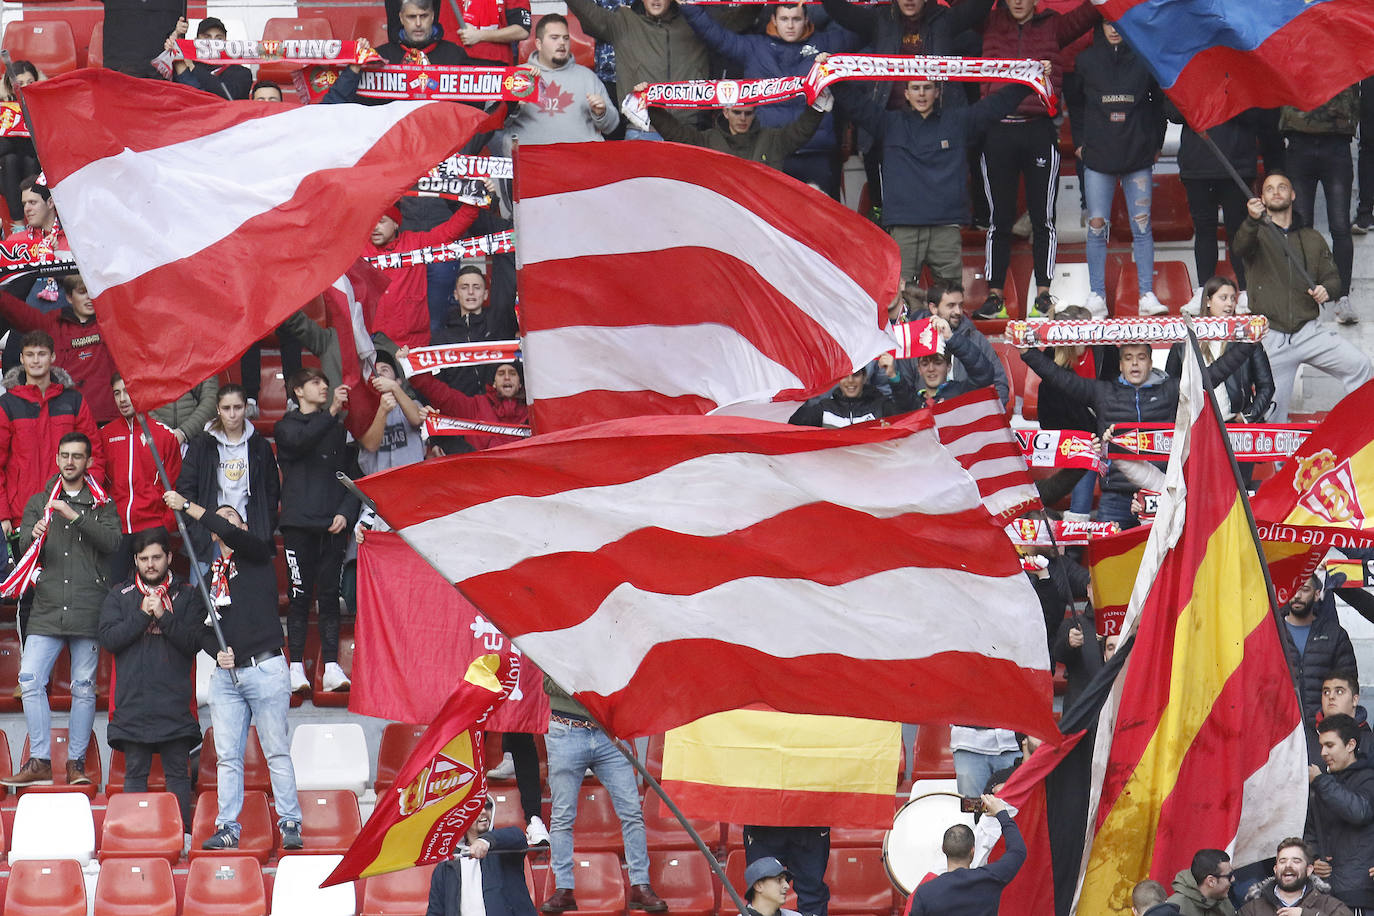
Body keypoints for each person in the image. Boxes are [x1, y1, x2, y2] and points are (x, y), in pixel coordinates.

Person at [162, 491, 304, 852]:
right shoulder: (210, 579)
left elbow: (233, 534)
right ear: (211, 535)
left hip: (266, 667)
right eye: (220, 520)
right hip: (227, 677)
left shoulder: (257, 554)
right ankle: (228, 826)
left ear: (241, 526)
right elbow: (197, 629)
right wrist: (216, 651)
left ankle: (290, 820)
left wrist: (189, 507)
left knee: (276, 750)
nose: (226, 523)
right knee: (228, 756)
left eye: (232, 518)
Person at [1019, 339, 1256, 527]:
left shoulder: (1171, 389)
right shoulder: (1102, 392)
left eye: (1141, 358)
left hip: (1162, 492)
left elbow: (1213, 375)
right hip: (1115, 497)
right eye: (1129, 358)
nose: (1135, 364)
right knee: (1109, 564)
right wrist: (1028, 353)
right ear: (1120, 364)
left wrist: (1248, 345)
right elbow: (1059, 377)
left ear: (1150, 362)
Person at [835, 72, 1036, 291]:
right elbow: (855, 104)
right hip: (904, 227)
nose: (921, 94)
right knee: (903, 302)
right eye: (915, 88)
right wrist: (830, 75)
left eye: (927, 87)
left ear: (938, 92)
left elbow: (994, 106)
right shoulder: (889, 123)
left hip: (945, 227)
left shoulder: (957, 122)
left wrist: (1030, 80)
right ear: (906, 94)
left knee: (950, 301)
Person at [2, 432, 119, 787]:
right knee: (29, 679)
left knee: (84, 687)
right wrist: (31, 533)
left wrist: (74, 516)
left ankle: (76, 765)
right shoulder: (38, 502)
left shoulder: (101, 503)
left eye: (77, 456)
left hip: (87, 604)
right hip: (48, 605)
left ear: (87, 462)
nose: (70, 462)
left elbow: (113, 543)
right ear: (57, 459)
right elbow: (23, 552)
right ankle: (39, 759)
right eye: (65, 456)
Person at [974, 0, 1099, 320]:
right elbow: (961, 11)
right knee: (997, 219)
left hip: (1039, 130)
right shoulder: (987, 22)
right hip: (997, 131)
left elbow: (1088, 15)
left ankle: (1043, 294)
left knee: (1043, 218)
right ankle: (995, 296)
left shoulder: (1053, 25)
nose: (1018, 1)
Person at [678, 2, 856, 196]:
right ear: (773, 20)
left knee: (820, 223)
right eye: (784, 19)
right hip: (771, 154)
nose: (790, 25)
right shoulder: (754, 47)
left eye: (796, 19)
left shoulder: (824, 44)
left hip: (815, 153)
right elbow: (716, 36)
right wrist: (689, 7)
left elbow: (865, 30)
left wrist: (877, 6)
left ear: (806, 20)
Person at [1234, 171, 1371, 421]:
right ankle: (1280, 463)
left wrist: (1326, 290)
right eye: (1269, 189)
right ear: (1262, 199)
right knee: (1274, 418)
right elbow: (1239, 247)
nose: (1276, 191)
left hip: (1309, 331)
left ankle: (1358, 432)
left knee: (1361, 366)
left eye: (1282, 187)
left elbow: (1334, 279)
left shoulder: (1313, 238)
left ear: (1293, 194)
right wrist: (1252, 221)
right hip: (1271, 335)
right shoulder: (1256, 233)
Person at [97, 527, 201, 830]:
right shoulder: (120, 595)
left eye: (157, 557)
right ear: (135, 560)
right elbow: (109, 639)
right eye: (144, 559)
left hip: (175, 701)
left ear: (169, 556)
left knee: (179, 776)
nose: (151, 564)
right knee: (135, 774)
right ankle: (136, 838)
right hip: (133, 702)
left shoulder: (187, 594)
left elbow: (193, 643)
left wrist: (165, 617)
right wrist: (143, 614)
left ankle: (180, 838)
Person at [540, 678, 666, 913]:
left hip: (608, 729)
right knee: (562, 817)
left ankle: (640, 884)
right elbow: (548, 684)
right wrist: (591, 678)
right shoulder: (559, 641)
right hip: (567, 729)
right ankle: (563, 887)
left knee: (632, 811)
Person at [1070, 22, 1166, 317]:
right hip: (1098, 157)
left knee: (1142, 226)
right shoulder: (1085, 60)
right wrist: (1079, 142)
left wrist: (1155, 143)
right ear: (1099, 24)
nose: (1114, 29)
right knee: (1097, 228)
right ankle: (1096, 296)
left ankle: (1147, 294)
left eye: (1119, 23)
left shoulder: (1144, 59)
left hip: (1137, 156)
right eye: (1108, 23)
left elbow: (1159, 105)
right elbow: (1073, 103)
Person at [274, 368, 359, 694]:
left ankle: (333, 667)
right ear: (297, 391)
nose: (323, 387)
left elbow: (351, 475)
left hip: (332, 524)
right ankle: (295, 666)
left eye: (325, 382)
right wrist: (334, 413)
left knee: (328, 597)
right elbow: (300, 442)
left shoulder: (338, 430)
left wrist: (345, 513)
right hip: (298, 525)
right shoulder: (285, 427)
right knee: (299, 597)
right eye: (315, 383)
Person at [0, 330, 104, 543]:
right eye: (30, 354)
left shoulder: (73, 400)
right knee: (29, 576)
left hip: (69, 509)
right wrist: (3, 514)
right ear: (21, 359)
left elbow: (94, 455)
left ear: (53, 357)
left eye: (42, 354)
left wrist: (89, 500)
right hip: (23, 513)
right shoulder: (7, 405)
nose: (36, 360)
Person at [564, 0, 710, 140]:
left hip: (689, 132)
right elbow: (586, 10)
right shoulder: (624, 23)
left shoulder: (697, 23)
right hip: (643, 132)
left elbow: (730, 20)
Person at [1168, 105, 1263, 314]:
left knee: (1239, 232)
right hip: (1197, 163)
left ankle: (1246, 292)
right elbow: (1172, 113)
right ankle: (1203, 291)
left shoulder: (1244, 73)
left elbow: (1255, 113)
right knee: (1203, 230)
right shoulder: (1188, 74)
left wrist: (1221, 101)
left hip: (1237, 163)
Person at [1280, 86, 1359, 324]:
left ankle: (1341, 298)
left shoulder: (1345, 51)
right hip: (1299, 140)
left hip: (1336, 143)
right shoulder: (1292, 49)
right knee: (1301, 227)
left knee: (1340, 226)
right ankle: (1303, 296)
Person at [176, 384, 279, 564]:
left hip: (249, 532)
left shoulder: (260, 446)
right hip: (209, 536)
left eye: (238, 408)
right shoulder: (202, 445)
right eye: (226, 408)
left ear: (246, 408)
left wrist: (263, 527)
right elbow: (186, 488)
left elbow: (272, 492)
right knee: (207, 592)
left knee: (248, 592)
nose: (232, 414)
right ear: (218, 409)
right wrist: (200, 529)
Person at [364, 200, 484, 349]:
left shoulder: (415, 243)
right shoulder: (358, 251)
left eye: (381, 221)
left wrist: (474, 200)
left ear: (396, 223)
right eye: (371, 222)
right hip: (373, 345)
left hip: (414, 344)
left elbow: (450, 231)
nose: (375, 227)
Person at [101, 373, 182, 581]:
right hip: (116, 529)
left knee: (153, 592)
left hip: (152, 527)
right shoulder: (104, 435)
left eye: (127, 392)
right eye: (117, 393)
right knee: (116, 592)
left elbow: (175, 485)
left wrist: (165, 525)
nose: (122, 399)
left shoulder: (165, 436)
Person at [496, 15, 619, 151]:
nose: (562, 43)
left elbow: (611, 126)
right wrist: (513, 106)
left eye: (565, 38)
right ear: (538, 44)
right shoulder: (518, 76)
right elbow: (495, 124)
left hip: (580, 161)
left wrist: (601, 113)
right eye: (554, 38)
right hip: (530, 162)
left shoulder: (588, 77)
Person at [1165, 277, 1275, 426]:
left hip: (1233, 425)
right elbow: (1170, 386)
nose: (1229, 303)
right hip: (1196, 425)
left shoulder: (1248, 338)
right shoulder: (1185, 339)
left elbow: (1266, 385)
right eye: (1223, 298)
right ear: (1208, 301)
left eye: (1233, 298)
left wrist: (1246, 417)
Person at [643, 87, 826, 169]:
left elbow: (801, 131)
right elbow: (676, 133)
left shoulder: (773, 139)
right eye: (737, 112)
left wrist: (817, 107)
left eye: (748, 113)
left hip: (762, 221)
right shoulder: (706, 140)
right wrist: (650, 105)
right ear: (726, 112)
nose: (743, 118)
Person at [906, 795, 1025, 915]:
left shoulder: (925, 892)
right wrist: (1001, 813)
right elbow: (1018, 851)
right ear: (973, 851)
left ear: (943, 849)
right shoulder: (991, 879)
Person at [1305, 714, 1374, 911]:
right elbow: (1311, 833)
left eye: (1330, 745)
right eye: (1321, 746)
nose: (1323, 752)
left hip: (1360, 894)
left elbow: (1359, 812)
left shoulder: (1368, 779)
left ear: (1350, 745)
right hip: (1325, 894)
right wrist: (1315, 859)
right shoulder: (1325, 785)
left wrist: (1320, 782)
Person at [426, 796, 537, 916]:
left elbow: (518, 837)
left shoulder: (504, 848)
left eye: (487, 806)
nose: (483, 811)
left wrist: (486, 841)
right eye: (475, 806)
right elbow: (435, 911)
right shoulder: (446, 865)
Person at [1278, 576, 1357, 732]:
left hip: (1323, 730)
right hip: (1281, 733)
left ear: (1316, 594)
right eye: (1292, 590)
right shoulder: (1272, 632)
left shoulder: (1335, 635)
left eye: (1304, 590)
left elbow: (1348, 685)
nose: (1297, 596)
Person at [431, 266, 520, 395]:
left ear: (485, 294)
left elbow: (507, 282)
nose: (471, 292)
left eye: (477, 287)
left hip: (497, 410)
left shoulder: (500, 326)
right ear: (456, 294)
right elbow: (436, 386)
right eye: (464, 287)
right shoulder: (441, 339)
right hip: (458, 411)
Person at [1237, 837, 1352, 916]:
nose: (1288, 865)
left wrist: (1306, 914)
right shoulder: (1252, 909)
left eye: (1296, 861)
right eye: (1282, 861)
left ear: (1309, 870)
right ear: (1275, 869)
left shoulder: (1329, 905)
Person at [377, 0, 509, 67]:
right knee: (395, 53)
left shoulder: (454, 54)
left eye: (422, 17)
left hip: (440, 55)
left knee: (439, 51)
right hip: (397, 57)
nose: (418, 23)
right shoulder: (384, 53)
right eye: (412, 17)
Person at [787, 359, 915, 428]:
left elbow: (908, 416)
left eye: (856, 375)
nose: (850, 381)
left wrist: (894, 377)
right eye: (844, 376)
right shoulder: (824, 408)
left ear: (864, 377)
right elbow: (791, 428)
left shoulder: (880, 406)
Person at [166, 17, 252, 99]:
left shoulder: (241, 72)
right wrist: (175, 40)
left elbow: (229, 95)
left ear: (226, 42)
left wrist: (193, 68)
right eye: (207, 37)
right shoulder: (182, 64)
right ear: (196, 41)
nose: (213, 42)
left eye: (219, 38)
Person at [0, 61, 39, 220]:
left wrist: (12, 141)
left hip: (32, 167)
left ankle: (31, 223)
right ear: (10, 86)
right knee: (10, 160)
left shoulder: (41, 106)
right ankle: (18, 224)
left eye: (30, 82)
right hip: (5, 171)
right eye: (20, 83)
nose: (25, 87)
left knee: (29, 160)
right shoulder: (3, 108)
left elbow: (37, 149)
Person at [149, 375, 219, 448]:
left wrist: (184, 432)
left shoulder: (204, 363)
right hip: (153, 440)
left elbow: (211, 400)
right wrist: (164, 431)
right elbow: (138, 403)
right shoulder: (144, 365)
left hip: (197, 440)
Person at [1320, 671, 1374, 759]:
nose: (1331, 696)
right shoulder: (1303, 738)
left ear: (1354, 700)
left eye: (1339, 692)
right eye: (1326, 692)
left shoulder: (1369, 742)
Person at [1167, 849, 1237, 916]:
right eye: (1229, 876)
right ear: (1211, 881)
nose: (1233, 879)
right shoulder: (1173, 909)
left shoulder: (1225, 902)